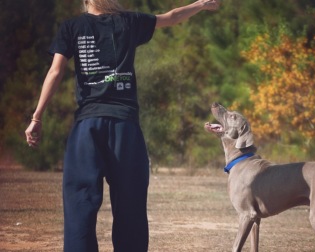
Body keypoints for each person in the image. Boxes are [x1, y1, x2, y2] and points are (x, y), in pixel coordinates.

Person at [24, 0, 220, 251]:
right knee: (131, 207)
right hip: (124, 127)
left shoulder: (72, 26)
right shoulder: (129, 21)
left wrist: (36, 117)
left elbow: (55, 72)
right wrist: (201, 4)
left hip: (87, 127)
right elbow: (171, 17)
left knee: (79, 206)